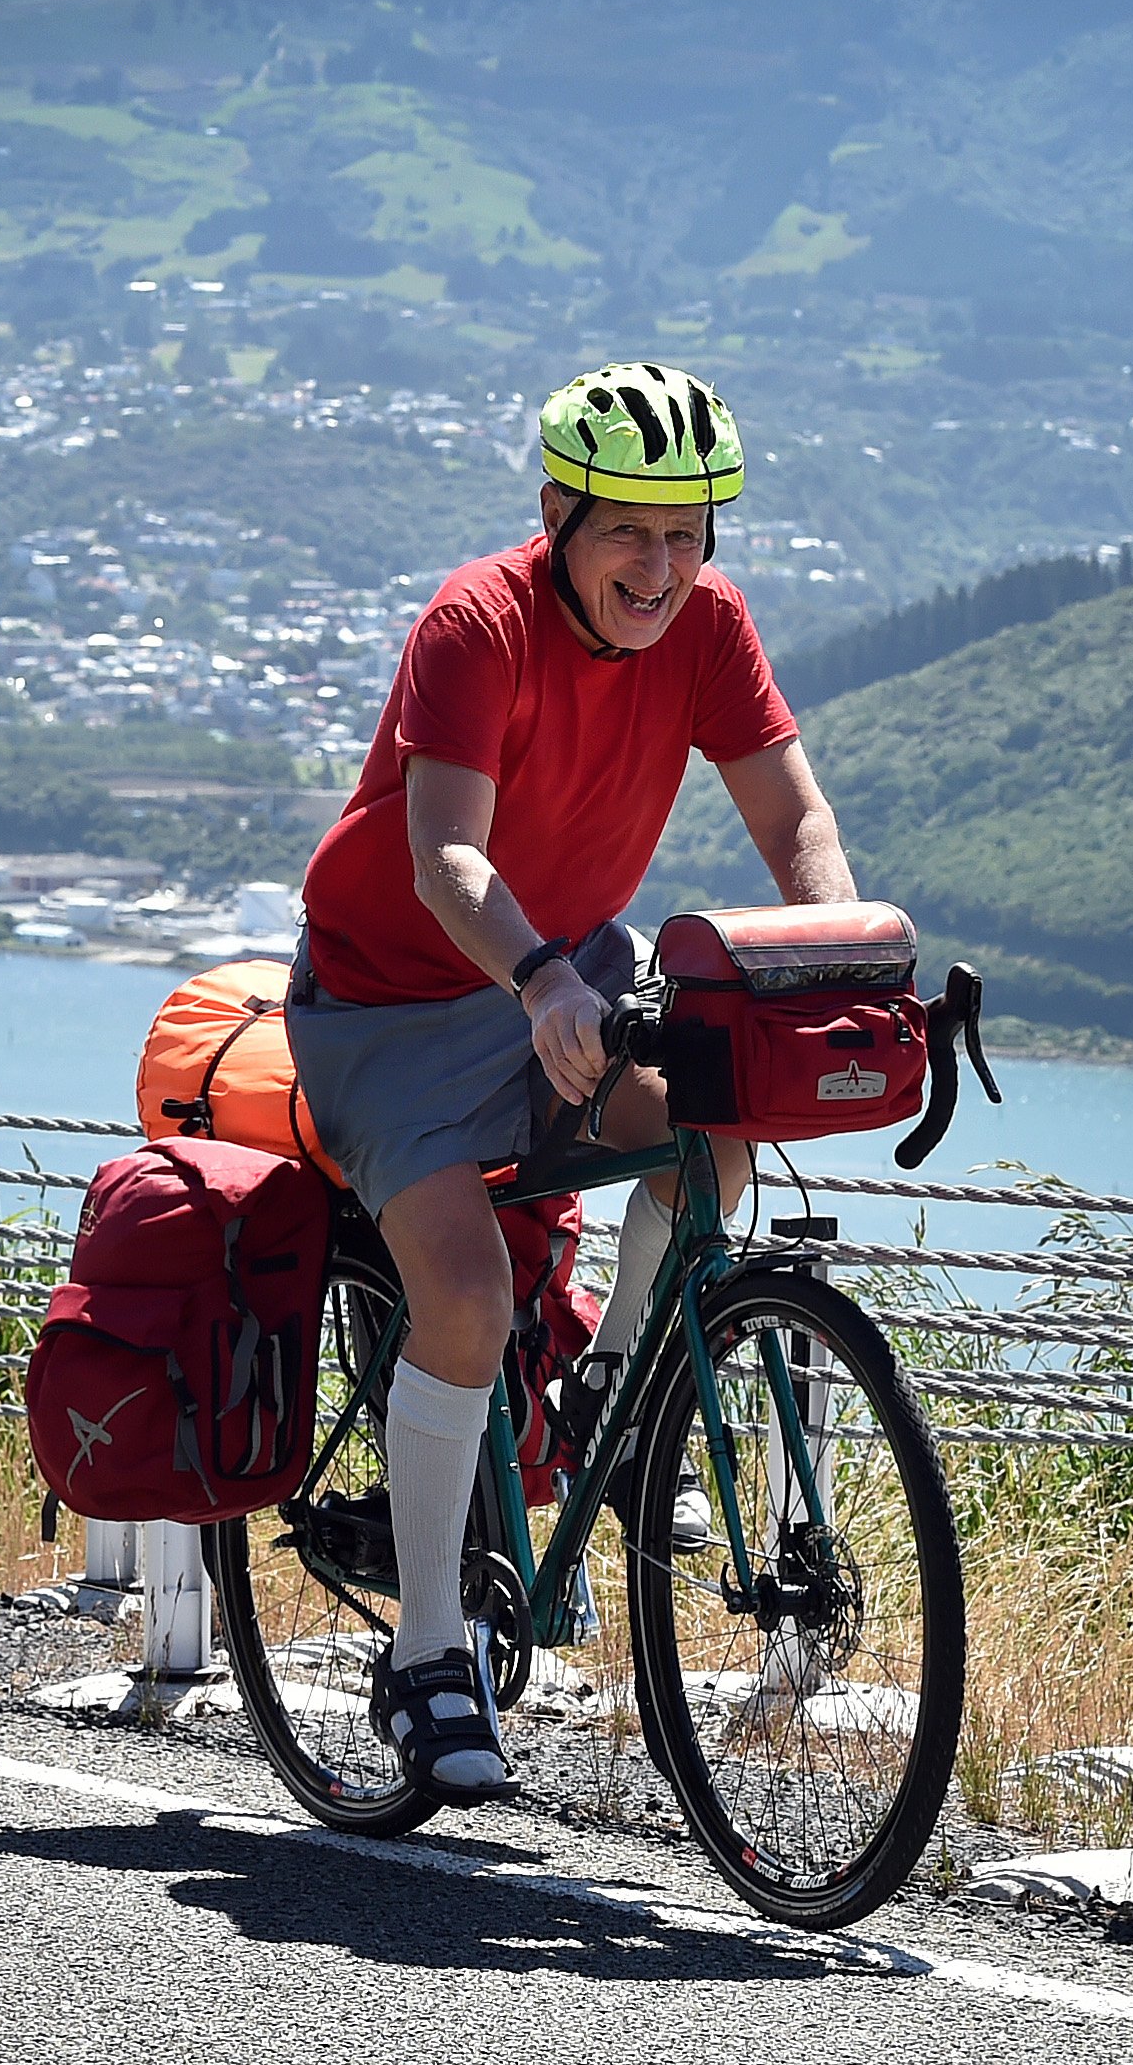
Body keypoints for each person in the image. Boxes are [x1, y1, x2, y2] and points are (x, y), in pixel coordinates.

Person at [284, 360, 855, 1804]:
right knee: (466, 1296)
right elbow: (446, 860)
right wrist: (540, 976)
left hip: (567, 968)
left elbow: (793, 818)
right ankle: (424, 1660)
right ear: (559, 514)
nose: (661, 569)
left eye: (687, 535)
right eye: (627, 535)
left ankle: (613, 1400)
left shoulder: (709, 627)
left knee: (718, 1126)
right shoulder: (478, 622)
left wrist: (839, 953)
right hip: (396, 1002)